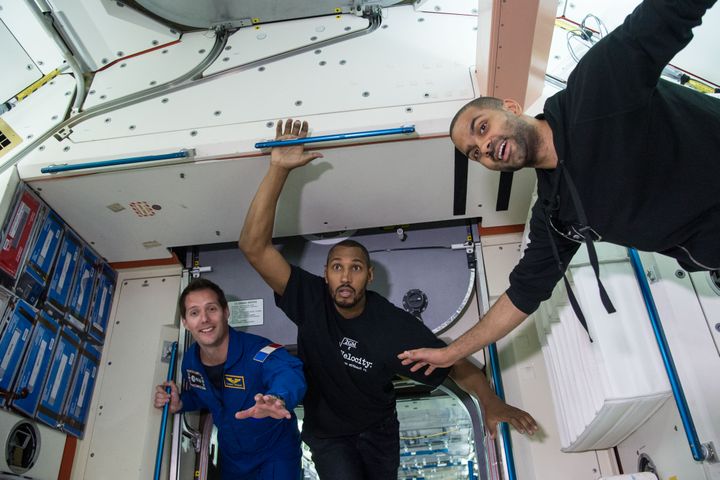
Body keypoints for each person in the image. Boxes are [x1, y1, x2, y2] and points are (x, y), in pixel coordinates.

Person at [398, 0, 720, 373]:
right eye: (475, 154)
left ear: (511, 107)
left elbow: (669, 13)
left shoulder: (598, 85)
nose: (484, 147)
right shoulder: (555, 213)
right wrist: (451, 353)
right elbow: (523, 293)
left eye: (482, 128)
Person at [239, 119, 538, 479]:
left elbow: (455, 364)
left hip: (379, 432)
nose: (345, 276)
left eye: (355, 268)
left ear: (369, 275)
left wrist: (490, 403)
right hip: (328, 434)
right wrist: (278, 169)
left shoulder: (393, 327)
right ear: (326, 274)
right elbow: (253, 248)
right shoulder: (309, 298)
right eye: (337, 267)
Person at [153, 278, 306, 480]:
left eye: (212, 309)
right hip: (233, 459)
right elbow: (207, 397)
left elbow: (288, 372)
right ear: (185, 322)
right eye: (194, 313)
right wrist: (181, 402)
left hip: (275, 454)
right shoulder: (190, 362)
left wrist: (277, 398)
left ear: (226, 312)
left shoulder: (259, 351)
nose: (204, 319)